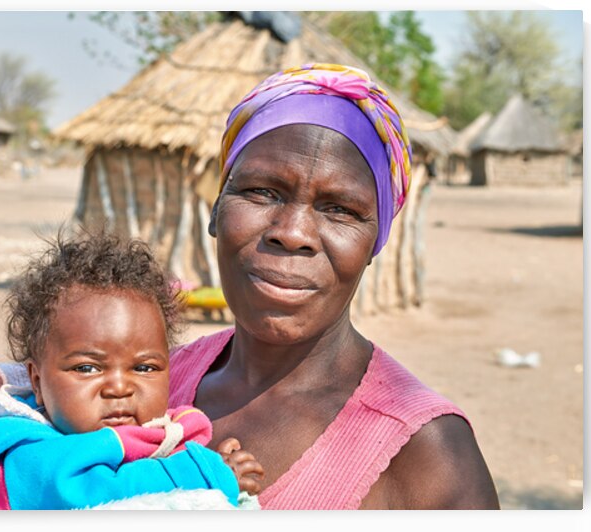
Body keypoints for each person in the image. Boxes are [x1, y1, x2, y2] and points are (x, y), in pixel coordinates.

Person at [168, 63, 501, 510]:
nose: (293, 232)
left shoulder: (425, 455)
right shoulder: (147, 383)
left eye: (339, 209)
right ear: (215, 210)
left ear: (374, 243)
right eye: (263, 191)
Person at [0, 230, 263, 510]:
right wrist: (206, 475)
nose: (119, 387)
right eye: (87, 368)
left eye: (144, 367)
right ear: (37, 381)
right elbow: (92, 492)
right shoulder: (24, 457)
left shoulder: (148, 431)